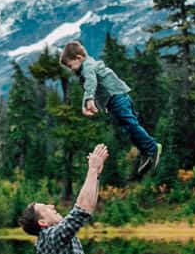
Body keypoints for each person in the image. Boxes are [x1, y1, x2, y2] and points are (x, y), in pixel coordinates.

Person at [59, 41, 161, 181]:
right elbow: (90, 83)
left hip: (116, 98)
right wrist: (85, 103)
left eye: (71, 66)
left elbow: (91, 82)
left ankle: (152, 148)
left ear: (78, 58)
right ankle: (146, 150)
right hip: (119, 97)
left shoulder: (87, 67)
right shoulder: (89, 65)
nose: (71, 69)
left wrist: (89, 99)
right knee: (130, 128)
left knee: (131, 126)